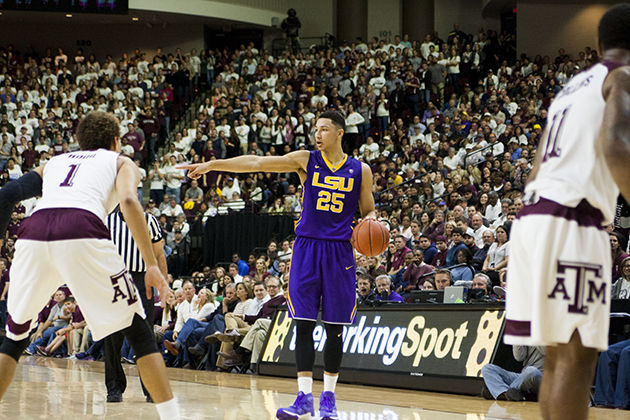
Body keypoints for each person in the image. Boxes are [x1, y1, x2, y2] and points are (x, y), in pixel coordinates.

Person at [179, 110, 376, 419]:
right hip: (307, 247)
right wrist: (212, 164)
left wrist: (374, 225)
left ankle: (329, 398)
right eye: (315, 129)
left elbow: (368, 211)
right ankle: (302, 398)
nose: (318, 134)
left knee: (335, 328)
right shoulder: (305, 160)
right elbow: (256, 162)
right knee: (303, 325)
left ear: (340, 133)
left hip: (340, 252)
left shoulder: (360, 170)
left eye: (324, 129)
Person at [0, 111, 179, 419]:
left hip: (33, 234)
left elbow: (7, 194)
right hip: (81, 228)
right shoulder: (121, 161)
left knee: (15, 338)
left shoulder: (55, 162)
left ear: (80, 141)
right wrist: (150, 263)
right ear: (115, 141)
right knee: (139, 333)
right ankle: (173, 416)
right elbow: (130, 202)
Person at [505, 6, 630, 420]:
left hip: (532, 220)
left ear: (598, 45)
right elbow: (616, 147)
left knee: (558, 358)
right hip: (572, 222)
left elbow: (537, 167)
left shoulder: (573, 86)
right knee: (577, 362)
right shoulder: (623, 76)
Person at [103, 207, 168, 403]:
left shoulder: (149, 220)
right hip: (113, 279)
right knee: (112, 337)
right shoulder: (106, 220)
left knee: (145, 335)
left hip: (142, 280)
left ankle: (151, 388)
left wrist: (164, 284)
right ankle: (114, 388)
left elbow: (158, 254)